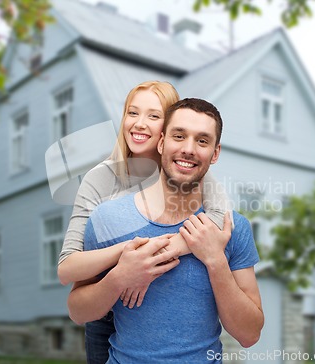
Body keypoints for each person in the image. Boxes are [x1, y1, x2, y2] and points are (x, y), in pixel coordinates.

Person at [67, 98, 264, 363]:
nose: (189, 149)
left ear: (215, 153)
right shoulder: (107, 219)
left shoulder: (231, 228)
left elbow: (249, 334)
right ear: (161, 143)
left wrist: (215, 260)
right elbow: (78, 312)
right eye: (179, 136)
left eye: (202, 141)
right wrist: (120, 278)